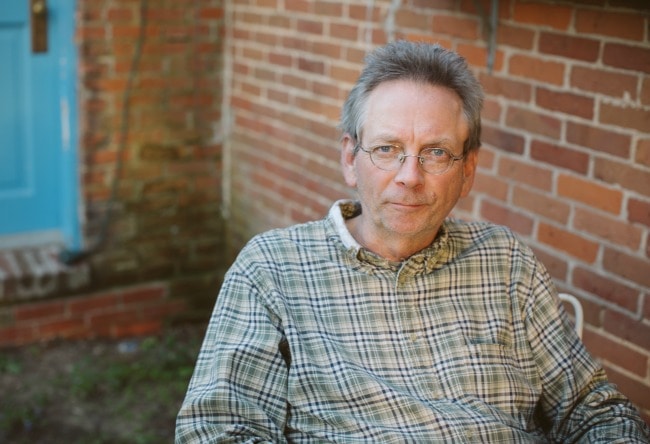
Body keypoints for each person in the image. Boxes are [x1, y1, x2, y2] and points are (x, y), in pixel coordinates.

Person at [176, 41, 650, 442]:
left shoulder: (506, 262)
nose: (410, 176)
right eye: (387, 149)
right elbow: (217, 429)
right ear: (350, 159)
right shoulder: (272, 269)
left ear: (467, 170)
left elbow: (593, 409)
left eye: (436, 153)